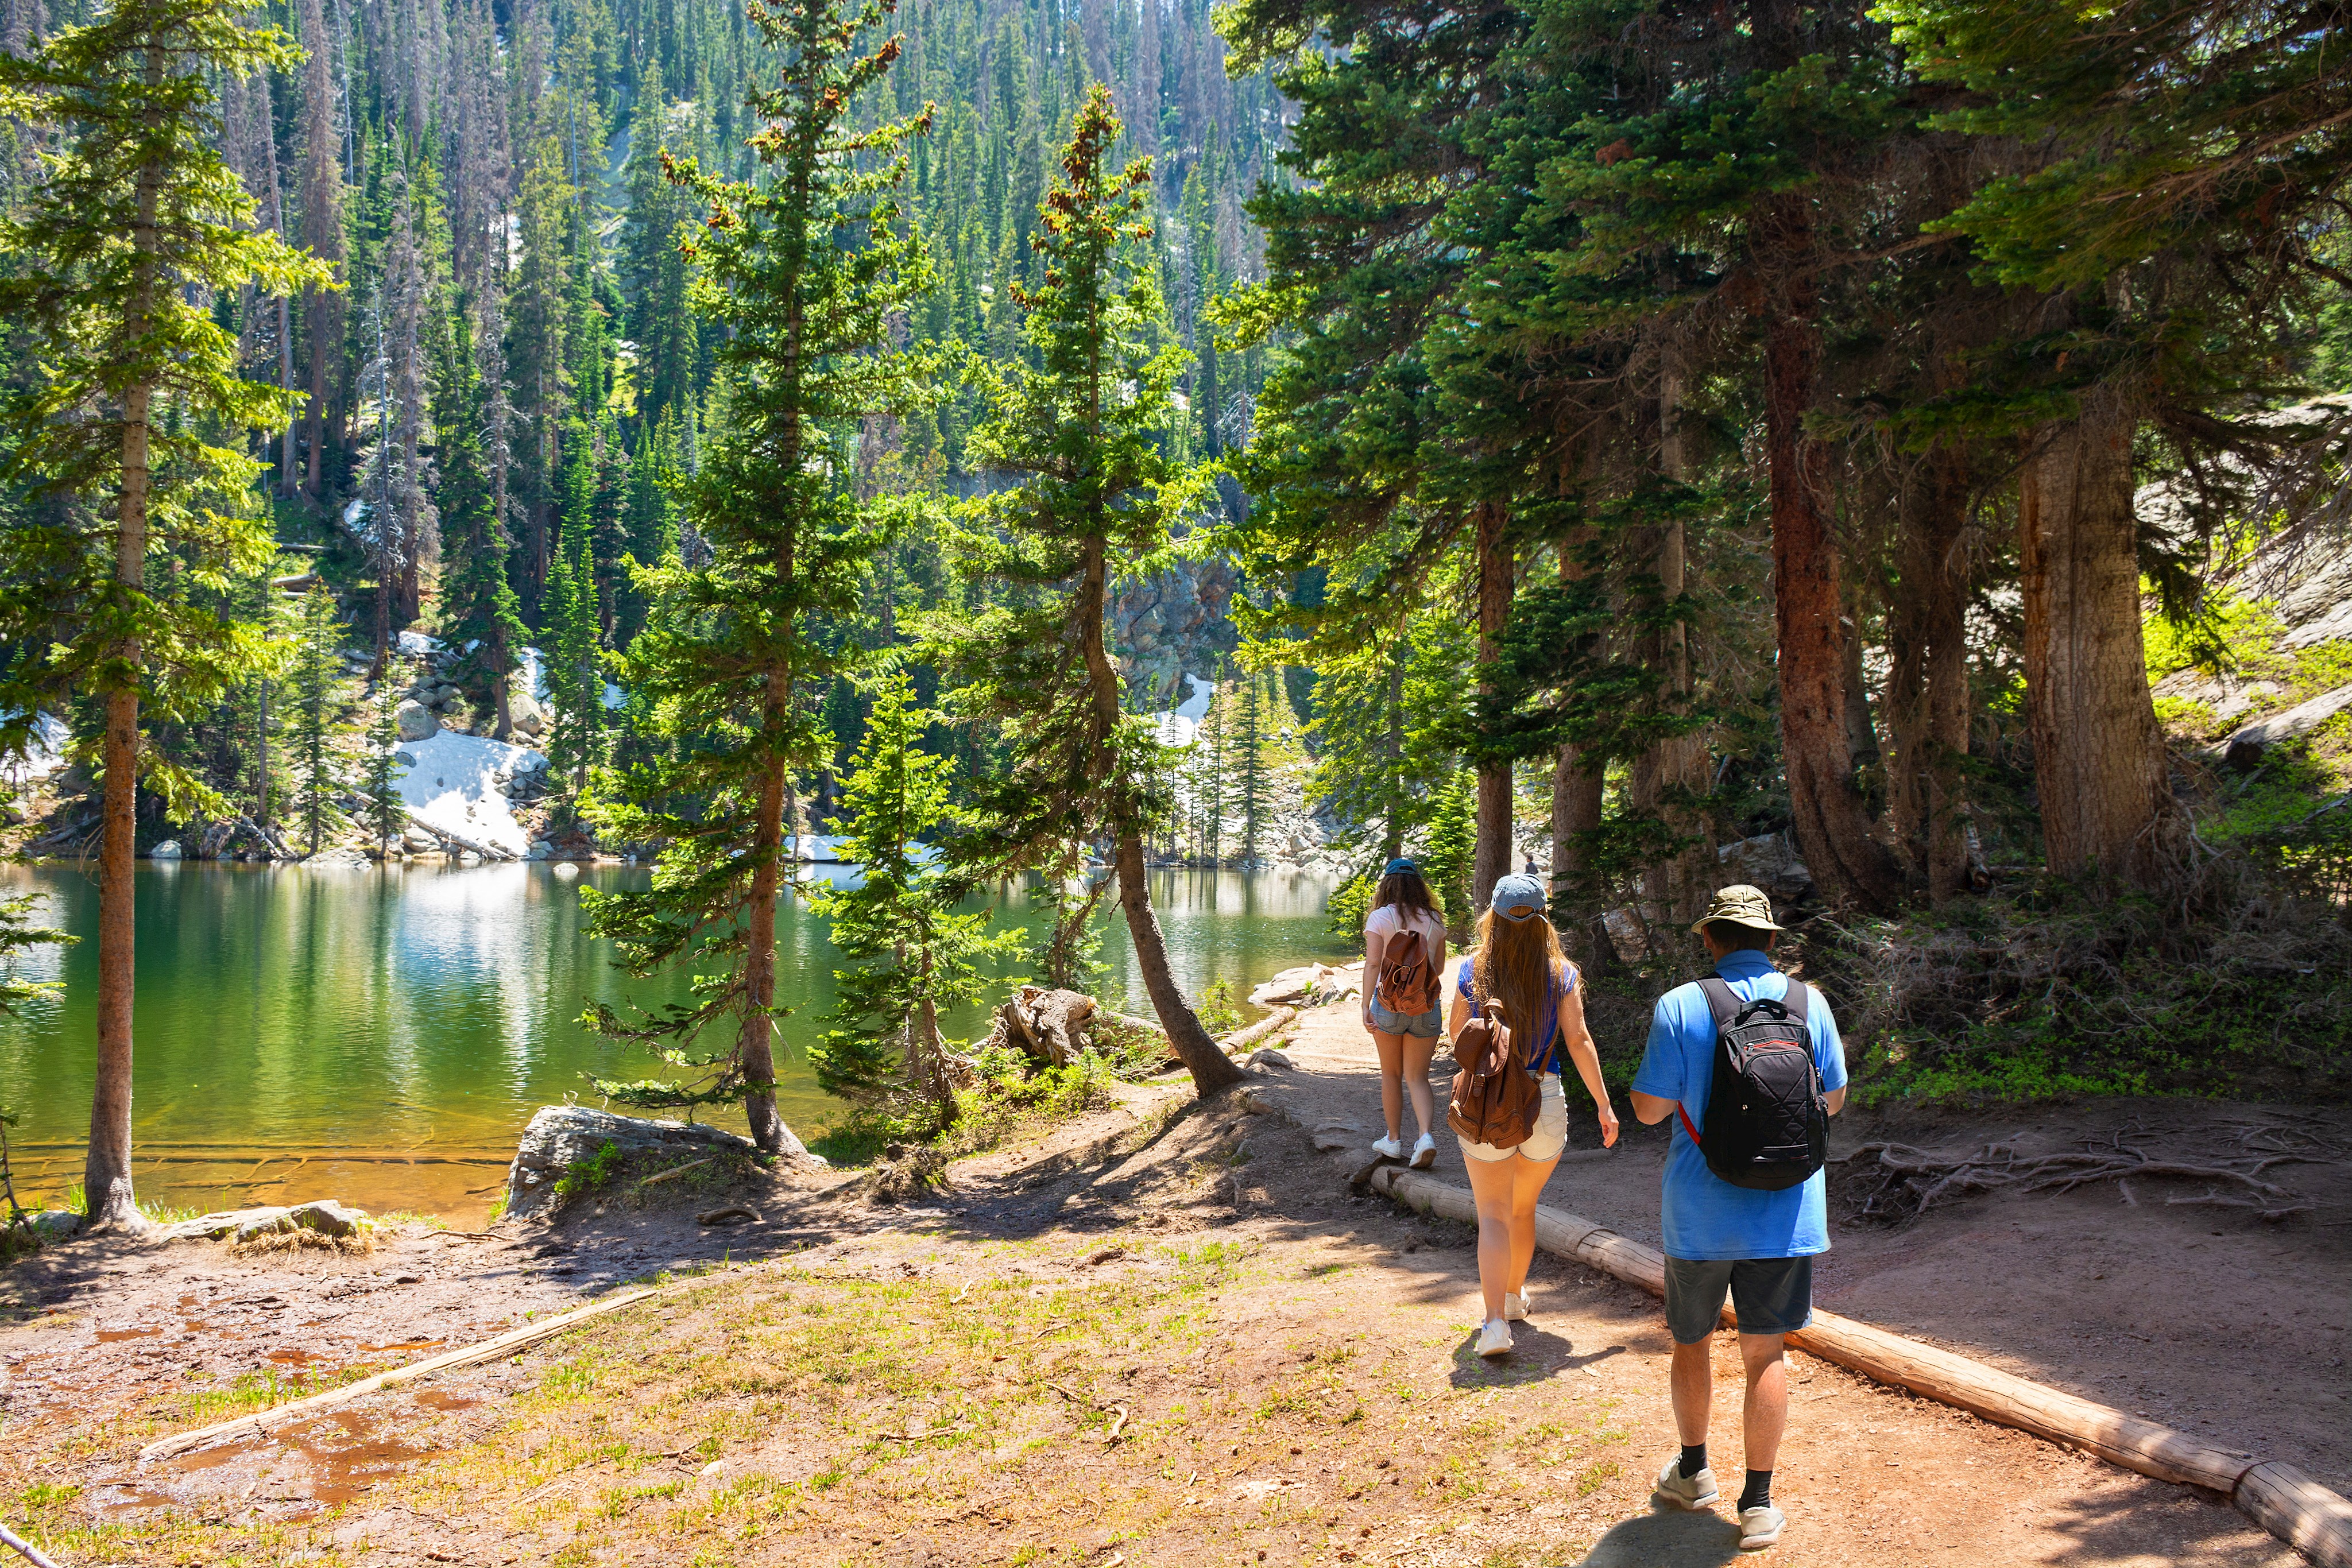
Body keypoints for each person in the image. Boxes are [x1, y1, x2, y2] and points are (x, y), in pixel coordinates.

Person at [1628, 885, 1848, 1552]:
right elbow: (1832, 1102)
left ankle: (1693, 1471)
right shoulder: (1811, 1004)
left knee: (1692, 1340)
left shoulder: (1680, 1004)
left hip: (1698, 1211)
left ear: (1709, 938)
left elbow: (1647, 1110)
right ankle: (1757, 1504)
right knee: (1765, 1351)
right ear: (1772, 942)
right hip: (1786, 1210)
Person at [1446, 873, 1619, 1357]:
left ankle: (1495, 1324)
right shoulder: (1561, 973)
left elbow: (1457, 1037)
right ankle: (1514, 1297)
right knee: (1522, 1209)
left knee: (1494, 1214)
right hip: (1545, 1103)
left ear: (1493, 920)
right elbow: (1579, 1040)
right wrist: (1605, 1105)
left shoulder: (1473, 970)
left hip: (1487, 1107)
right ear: (1544, 919)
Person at [1361, 857, 1448, 1167]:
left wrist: (1364, 1004)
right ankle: (1425, 1137)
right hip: (1426, 1005)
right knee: (1418, 1077)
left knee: (1392, 1074)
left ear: (1387, 885)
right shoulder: (1436, 920)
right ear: (1419, 887)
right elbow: (1438, 968)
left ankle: (1394, 1141)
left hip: (1388, 1005)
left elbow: (1373, 964)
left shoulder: (1380, 918)